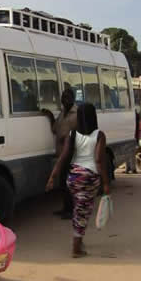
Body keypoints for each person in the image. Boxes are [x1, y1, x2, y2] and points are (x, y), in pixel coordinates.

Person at [46, 103, 110, 258]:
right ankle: (76, 247)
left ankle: (79, 241)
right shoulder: (99, 135)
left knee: (78, 209)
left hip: (73, 177)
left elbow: (64, 156)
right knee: (83, 211)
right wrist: (106, 182)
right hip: (89, 177)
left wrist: (52, 176)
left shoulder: (72, 134)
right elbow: (99, 161)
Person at [42, 88, 78, 219]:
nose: (65, 100)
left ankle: (72, 210)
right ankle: (66, 208)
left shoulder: (77, 113)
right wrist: (50, 116)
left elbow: (81, 133)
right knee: (63, 183)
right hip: (61, 153)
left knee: (69, 183)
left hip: (71, 153)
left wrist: (69, 138)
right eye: (63, 97)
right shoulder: (63, 113)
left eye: (67, 97)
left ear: (72, 99)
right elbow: (55, 129)